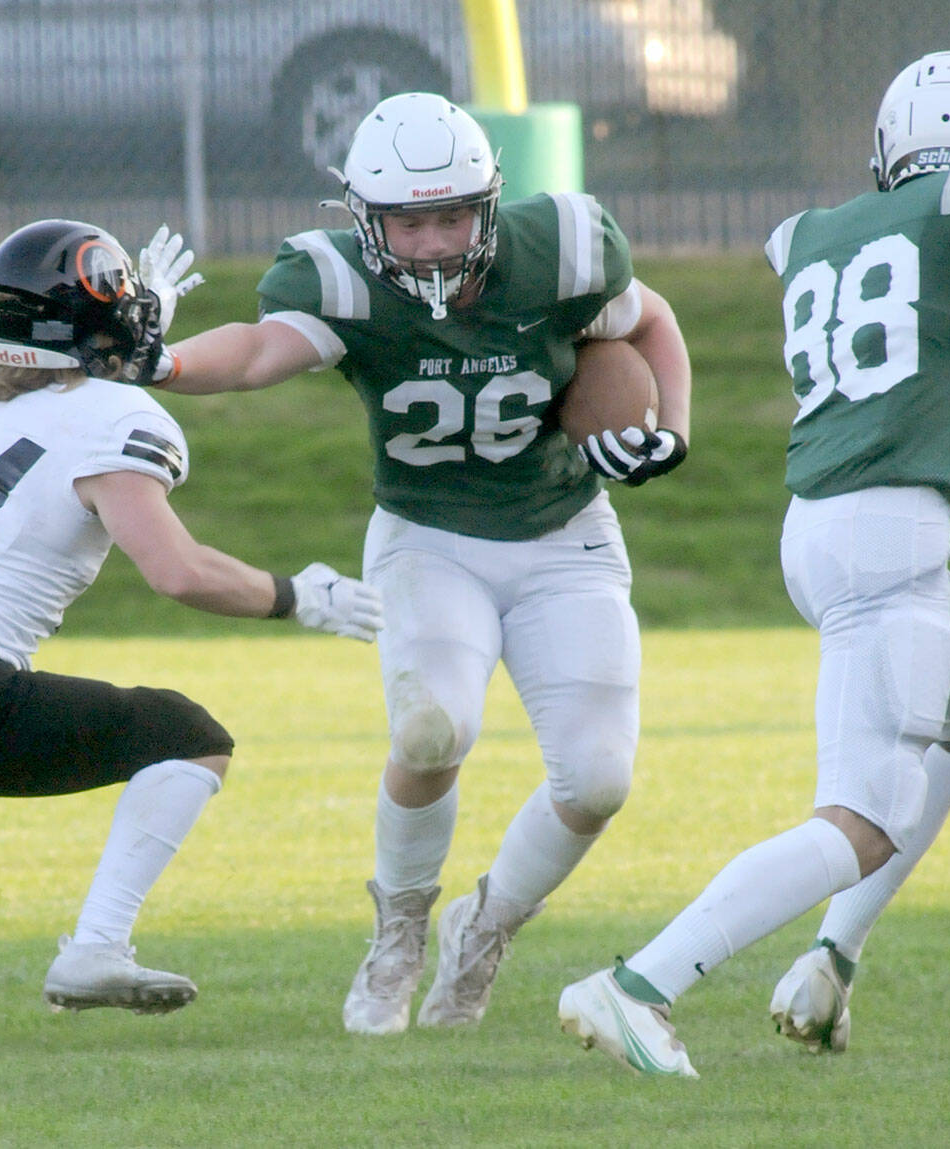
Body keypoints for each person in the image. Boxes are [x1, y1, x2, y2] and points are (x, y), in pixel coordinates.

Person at [0, 218, 383, 1056]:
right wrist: (300, 597)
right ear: (99, 325)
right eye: (126, 305)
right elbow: (178, 570)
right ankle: (95, 948)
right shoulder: (111, 415)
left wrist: (124, 328)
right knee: (189, 737)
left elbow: (71, 392)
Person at [153, 91, 692, 1035]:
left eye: (452, 217)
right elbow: (253, 353)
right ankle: (400, 926)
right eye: (410, 222)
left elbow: (650, 323)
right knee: (433, 728)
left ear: (488, 203)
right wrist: (161, 365)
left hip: (565, 533)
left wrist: (673, 430)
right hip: (429, 538)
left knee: (599, 780)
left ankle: (484, 929)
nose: (437, 243)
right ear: (366, 220)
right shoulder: (343, 284)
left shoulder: (562, 249)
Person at [558, 49, 950, 1078]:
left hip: (818, 523)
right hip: (888, 537)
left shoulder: (825, 234)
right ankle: (641, 983)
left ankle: (829, 962)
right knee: (862, 819)